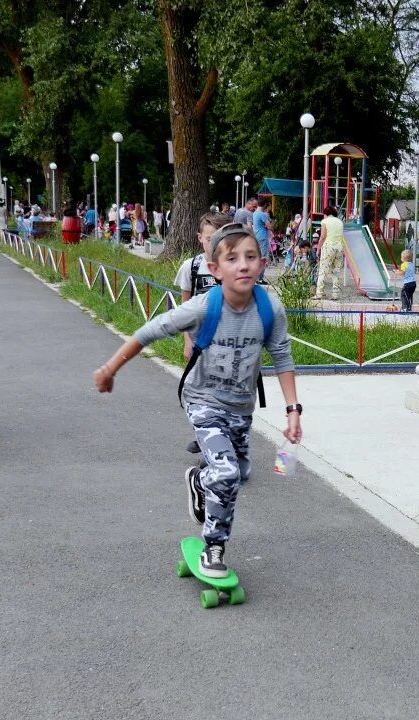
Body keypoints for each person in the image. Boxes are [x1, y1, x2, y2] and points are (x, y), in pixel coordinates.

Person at [93, 223, 301, 578]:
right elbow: (150, 331)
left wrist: (293, 410)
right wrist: (110, 368)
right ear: (215, 269)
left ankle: (200, 479)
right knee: (227, 472)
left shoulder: (270, 308)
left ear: (263, 263)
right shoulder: (204, 308)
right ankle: (213, 548)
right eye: (232, 259)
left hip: (241, 408)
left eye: (251, 257)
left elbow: (282, 356)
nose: (243, 265)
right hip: (203, 401)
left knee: (239, 473)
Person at [175, 212, 229, 359]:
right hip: (199, 342)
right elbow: (185, 308)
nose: (215, 244)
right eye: (209, 239)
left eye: (220, 239)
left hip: (229, 342)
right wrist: (187, 342)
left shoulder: (235, 267)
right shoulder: (191, 267)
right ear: (200, 237)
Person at [312, 206, 346, 301]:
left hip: (328, 247)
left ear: (326, 213)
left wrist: (318, 250)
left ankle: (319, 293)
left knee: (322, 270)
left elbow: (322, 237)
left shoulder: (325, 221)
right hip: (339, 248)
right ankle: (335, 295)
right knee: (336, 271)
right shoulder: (340, 222)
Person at [251, 197, 273, 283]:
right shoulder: (262, 214)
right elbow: (269, 226)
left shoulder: (255, 213)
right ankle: (260, 278)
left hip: (256, 236)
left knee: (257, 256)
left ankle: (256, 276)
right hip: (263, 237)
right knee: (263, 257)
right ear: (264, 205)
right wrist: (271, 225)